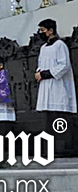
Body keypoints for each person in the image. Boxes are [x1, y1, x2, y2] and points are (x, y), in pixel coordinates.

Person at [35, 19, 77, 154]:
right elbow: (41, 64)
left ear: (51, 31)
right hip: (46, 87)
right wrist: (38, 72)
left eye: (42, 30)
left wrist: (45, 74)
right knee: (48, 119)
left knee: (60, 118)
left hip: (59, 88)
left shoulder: (60, 45)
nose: (40, 33)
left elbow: (64, 65)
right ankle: (51, 149)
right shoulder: (43, 48)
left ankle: (63, 148)